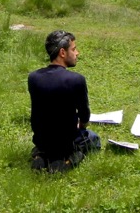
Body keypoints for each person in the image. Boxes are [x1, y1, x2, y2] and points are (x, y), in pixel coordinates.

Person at [28, 30, 99, 172]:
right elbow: (84, 115)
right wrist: (82, 126)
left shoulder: (33, 77)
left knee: (46, 144)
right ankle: (68, 160)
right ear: (62, 52)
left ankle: (41, 156)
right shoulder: (76, 80)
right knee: (94, 138)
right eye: (73, 49)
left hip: (42, 140)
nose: (77, 53)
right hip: (66, 142)